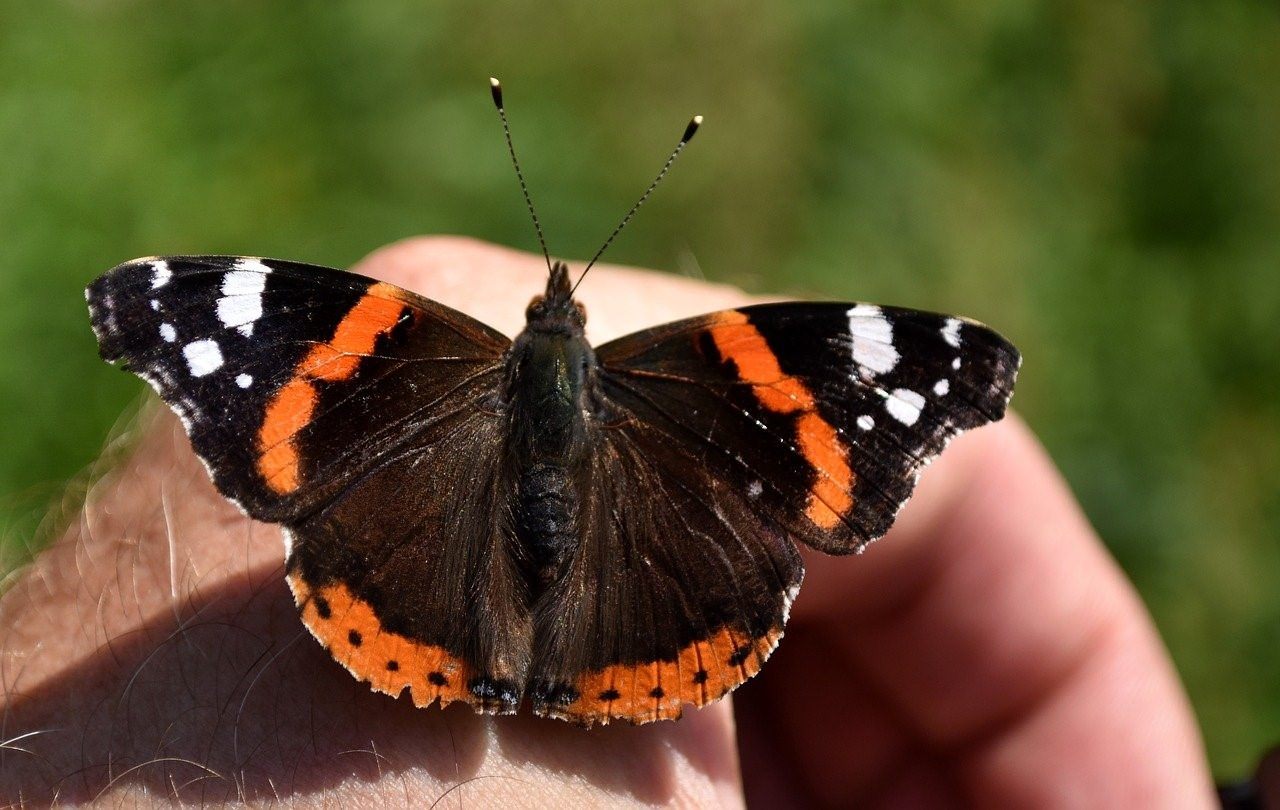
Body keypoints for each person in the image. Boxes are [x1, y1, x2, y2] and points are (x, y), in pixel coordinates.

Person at [0, 237, 1216, 806]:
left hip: (427, 537)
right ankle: (595, 666)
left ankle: (461, 650)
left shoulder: (382, 343)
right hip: (654, 561)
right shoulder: (731, 368)